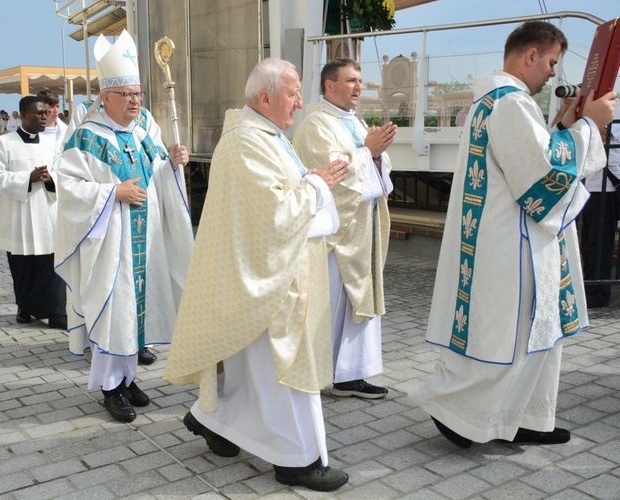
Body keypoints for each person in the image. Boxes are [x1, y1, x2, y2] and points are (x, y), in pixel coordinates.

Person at [408, 21, 616, 448]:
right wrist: (589, 127)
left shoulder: (503, 101)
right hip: (510, 243)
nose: (555, 74)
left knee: (534, 336)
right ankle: (455, 415)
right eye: (553, 62)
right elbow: (542, 177)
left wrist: (562, 128)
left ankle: (521, 419)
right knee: (507, 337)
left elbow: (531, 159)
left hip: (513, 237)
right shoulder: (509, 103)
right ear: (531, 56)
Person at [164, 58, 351, 492]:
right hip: (268, 282)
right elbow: (274, 215)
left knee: (258, 374)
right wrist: (319, 184)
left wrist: (313, 182)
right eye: (293, 93)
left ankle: (212, 418)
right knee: (280, 373)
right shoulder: (248, 141)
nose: (301, 103)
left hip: (273, 273)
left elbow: (283, 199)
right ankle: (296, 459)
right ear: (265, 97)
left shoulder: (269, 136)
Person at [54, 31, 193, 423]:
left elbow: (159, 172)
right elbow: (68, 188)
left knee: (137, 311)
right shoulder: (85, 136)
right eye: (128, 95)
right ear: (106, 98)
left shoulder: (144, 129)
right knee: (114, 309)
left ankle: (128, 376)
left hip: (144, 240)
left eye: (138, 94)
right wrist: (113, 193)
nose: (135, 101)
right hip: (108, 243)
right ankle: (110, 388)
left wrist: (174, 162)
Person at [294, 58, 396, 400]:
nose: (359, 87)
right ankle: (331, 372)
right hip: (336, 236)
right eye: (351, 80)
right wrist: (369, 152)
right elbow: (335, 175)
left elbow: (372, 169)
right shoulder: (316, 125)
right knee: (336, 303)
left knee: (358, 302)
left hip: (362, 228)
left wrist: (377, 156)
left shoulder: (354, 122)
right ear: (329, 86)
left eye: (360, 81)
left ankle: (353, 372)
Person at [0, 96, 67, 329]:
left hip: (46, 212)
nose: (44, 117)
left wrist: (51, 178)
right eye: (38, 113)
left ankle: (56, 312)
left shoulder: (51, 144)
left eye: (45, 112)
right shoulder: (3, 143)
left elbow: (63, 172)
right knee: (23, 266)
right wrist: (27, 178)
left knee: (50, 264)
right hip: (18, 213)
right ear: (23, 115)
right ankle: (25, 307)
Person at [579, 100, 620, 308]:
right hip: (590, 184)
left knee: (601, 243)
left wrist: (585, 116)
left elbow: (605, 136)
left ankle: (598, 292)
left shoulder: (615, 107)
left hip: (607, 187)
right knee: (588, 242)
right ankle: (588, 287)